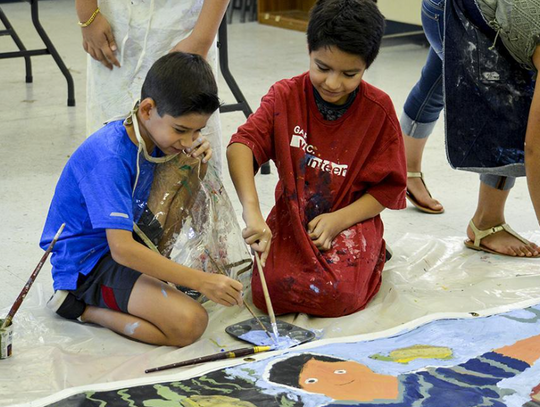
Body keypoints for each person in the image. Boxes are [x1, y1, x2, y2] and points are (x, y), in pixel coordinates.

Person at [40, 52, 243, 347]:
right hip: (88, 263)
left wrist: (197, 154)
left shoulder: (152, 134)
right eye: (181, 130)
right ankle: (83, 309)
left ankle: (153, 270)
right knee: (190, 323)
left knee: (191, 162)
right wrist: (199, 280)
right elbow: (121, 250)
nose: (188, 141)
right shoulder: (109, 155)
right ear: (147, 109)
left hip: (125, 240)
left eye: (198, 130)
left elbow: (183, 166)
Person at [227, 0, 407, 317]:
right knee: (268, 292)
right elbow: (242, 144)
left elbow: (388, 189)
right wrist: (252, 211)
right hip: (293, 216)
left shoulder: (378, 111)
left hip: (350, 218)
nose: (333, 83)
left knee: (339, 296)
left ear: (367, 66)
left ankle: (375, 251)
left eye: (349, 73)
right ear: (309, 50)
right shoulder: (285, 96)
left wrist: (341, 219)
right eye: (322, 68)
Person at [401, 0, 540, 257]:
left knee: (434, 83)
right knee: (511, 106)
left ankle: (403, 168)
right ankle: (488, 222)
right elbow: (535, 150)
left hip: (455, 5)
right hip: (452, 9)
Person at [74, 0, 229, 171]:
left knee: (190, 142)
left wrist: (201, 38)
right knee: (110, 159)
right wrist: (87, 15)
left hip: (187, 22)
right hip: (116, 23)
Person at [265, 331, 540, 405]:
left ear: (353, 363)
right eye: (312, 382)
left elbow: (504, 359)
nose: (339, 379)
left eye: (338, 370)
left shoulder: (435, 380)